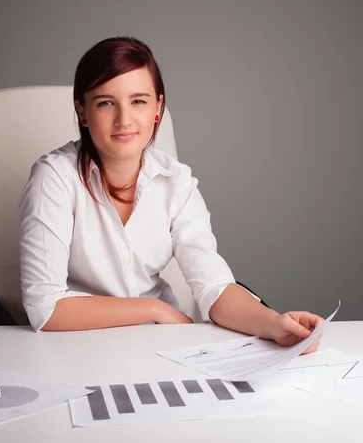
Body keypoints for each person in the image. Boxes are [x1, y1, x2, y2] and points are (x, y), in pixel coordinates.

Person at [19, 36, 323, 353]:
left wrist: (275, 325)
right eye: (106, 102)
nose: (124, 119)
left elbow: (214, 287)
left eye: (138, 101)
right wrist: (153, 309)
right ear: (82, 112)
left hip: (161, 348)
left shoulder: (176, 181)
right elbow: (46, 307)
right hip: (78, 349)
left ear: (157, 108)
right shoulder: (54, 179)